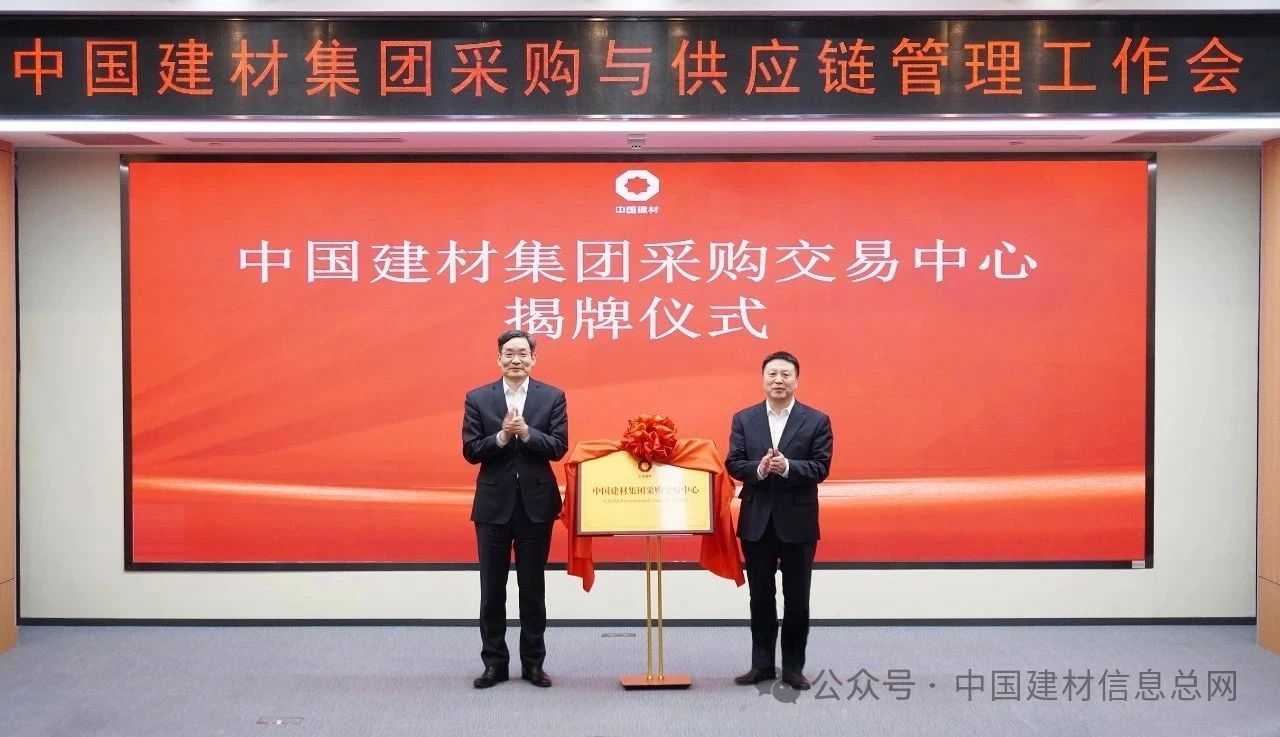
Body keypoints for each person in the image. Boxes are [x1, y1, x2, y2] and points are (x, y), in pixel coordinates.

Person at [462, 329, 568, 689]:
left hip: (536, 508)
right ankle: (494, 664)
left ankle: (533, 664)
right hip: (493, 507)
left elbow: (559, 447)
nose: (516, 359)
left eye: (523, 353)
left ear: (533, 359)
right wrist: (502, 437)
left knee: (532, 589)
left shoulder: (552, 397)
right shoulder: (478, 398)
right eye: (509, 353)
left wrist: (527, 433)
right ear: (499, 359)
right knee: (492, 590)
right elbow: (471, 450)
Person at [725, 350, 833, 691]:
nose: (778, 380)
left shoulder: (816, 420)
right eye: (772, 374)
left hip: (798, 522)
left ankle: (793, 668)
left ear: (796, 380)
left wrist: (787, 467)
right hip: (757, 521)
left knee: (797, 598)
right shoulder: (744, 419)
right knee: (760, 597)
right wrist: (759, 469)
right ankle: (761, 665)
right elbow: (733, 462)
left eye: (786, 374)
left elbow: (821, 467)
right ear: (763, 380)